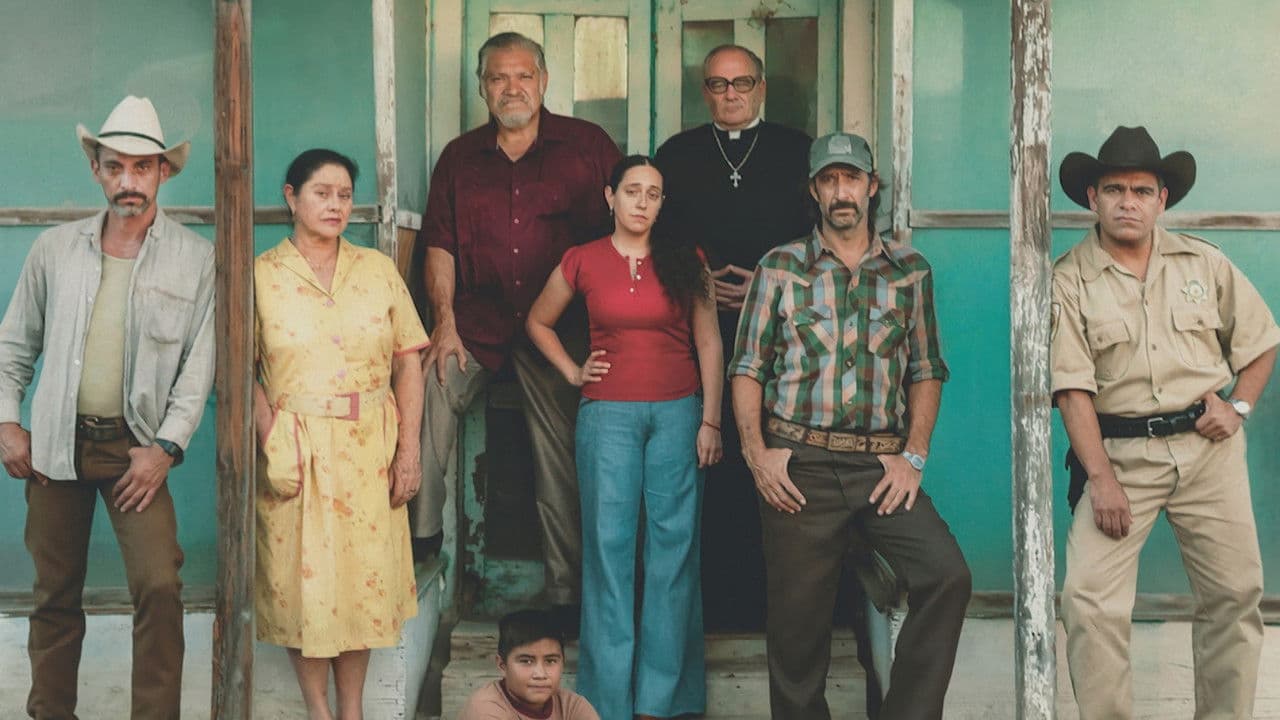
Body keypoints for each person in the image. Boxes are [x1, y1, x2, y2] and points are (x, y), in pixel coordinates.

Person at [729, 132, 971, 719]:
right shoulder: (779, 267)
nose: (842, 191)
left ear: (871, 186)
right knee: (797, 630)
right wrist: (758, 454)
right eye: (829, 180)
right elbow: (747, 367)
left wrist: (913, 456)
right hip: (800, 463)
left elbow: (926, 369)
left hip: (880, 466)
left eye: (852, 178)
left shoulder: (909, 271)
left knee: (947, 575)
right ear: (814, 190)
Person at [1052, 126, 1279, 720]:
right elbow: (1072, 389)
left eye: (1142, 191)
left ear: (1162, 200)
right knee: (1088, 600)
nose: (1128, 202)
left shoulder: (1204, 262)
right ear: (1092, 198)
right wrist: (1101, 479)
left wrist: (1239, 407)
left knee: (1234, 596)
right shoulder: (1069, 279)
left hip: (1208, 454)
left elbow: (1261, 341)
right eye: (1114, 189)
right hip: (1121, 460)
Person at [0, 95, 214, 719]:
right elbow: (14, 345)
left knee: (159, 586)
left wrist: (166, 448)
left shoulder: (196, 259)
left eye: (142, 167)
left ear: (163, 172)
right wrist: (7, 420)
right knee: (54, 595)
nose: (129, 182)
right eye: (115, 166)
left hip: (136, 451)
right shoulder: (54, 250)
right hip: (55, 445)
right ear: (96, 170)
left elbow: (199, 367)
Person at [413, 31, 622, 626]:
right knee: (427, 393)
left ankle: (566, 593)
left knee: (561, 452)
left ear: (544, 81)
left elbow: (625, 230)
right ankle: (422, 543)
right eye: (498, 77)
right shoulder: (459, 158)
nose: (512, 88)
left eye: (524, 75)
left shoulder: (586, 146)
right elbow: (439, 244)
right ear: (482, 87)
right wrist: (444, 324)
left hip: (556, 327)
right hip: (476, 323)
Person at [526, 156, 722, 719]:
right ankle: (607, 703)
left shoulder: (686, 259)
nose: (642, 202)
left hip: (678, 414)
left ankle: (662, 701)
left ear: (662, 204)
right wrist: (572, 371)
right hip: (607, 417)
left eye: (653, 194)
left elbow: (709, 342)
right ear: (610, 197)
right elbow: (538, 321)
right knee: (608, 550)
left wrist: (711, 421)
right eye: (632, 191)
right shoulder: (582, 259)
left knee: (672, 551)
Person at [254, 148, 429, 720]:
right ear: (291, 197)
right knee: (302, 585)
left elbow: (408, 362)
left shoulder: (376, 270)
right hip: (296, 445)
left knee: (360, 585)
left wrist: (408, 451)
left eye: (344, 195)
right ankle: (318, 711)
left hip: (368, 445)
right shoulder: (261, 275)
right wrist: (270, 435)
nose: (335, 205)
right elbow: (237, 369)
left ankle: (351, 711)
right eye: (322, 193)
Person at [654, 45, 812, 630]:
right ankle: (712, 608)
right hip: (698, 331)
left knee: (777, 460)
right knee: (709, 462)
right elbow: (656, 236)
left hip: (787, 335)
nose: (731, 94)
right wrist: (697, 282)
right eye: (718, 85)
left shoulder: (799, 151)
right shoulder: (678, 154)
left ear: (761, 88)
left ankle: (774, 609)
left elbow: (824, 235)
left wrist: (766, 287)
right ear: (705, 92)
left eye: (742, 83)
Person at [457, 609, 600, 720]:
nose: (540, 674)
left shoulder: (572, 706)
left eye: (550, 661)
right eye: (526, 661)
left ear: (563, 663)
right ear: (502, 665)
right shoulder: (485, 710)